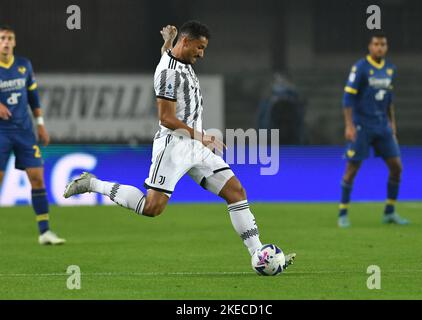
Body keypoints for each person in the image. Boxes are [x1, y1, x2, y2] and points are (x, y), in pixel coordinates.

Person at [64, 21, 295, 268]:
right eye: (199, 47)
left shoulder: (176, 60)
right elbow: (166, 117)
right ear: (186, 42)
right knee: (152, 208)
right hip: (174, 146)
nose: (202, 53)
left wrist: (167, 42)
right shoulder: (169, 73)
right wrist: (201, 136)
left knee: (235, 191)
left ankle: (257, 253)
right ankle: (93, 183)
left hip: (195, 145)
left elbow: (167, 56)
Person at [0, 25, 65, 244]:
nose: (6, 42)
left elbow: (33, 98)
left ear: (14, 42)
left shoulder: (23, 65)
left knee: (37, 178)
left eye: (10, 38)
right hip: (1, 133)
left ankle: (45, 231)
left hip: (25, 131)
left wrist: (41, 125)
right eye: (2, 38)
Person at [338, 32, 409, 228]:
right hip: (362, 126)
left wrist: (392, 124)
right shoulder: (360, 68)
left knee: (397, 167)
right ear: (370, 47)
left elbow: (389, 101)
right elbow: (347, 99)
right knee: (352, 169)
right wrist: (349, 125)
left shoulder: (389, 69)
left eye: (383, 44)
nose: (380, 47)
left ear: (386, 47)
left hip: (382, 127)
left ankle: (389, 212)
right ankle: (343, 213)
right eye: (376, 44)